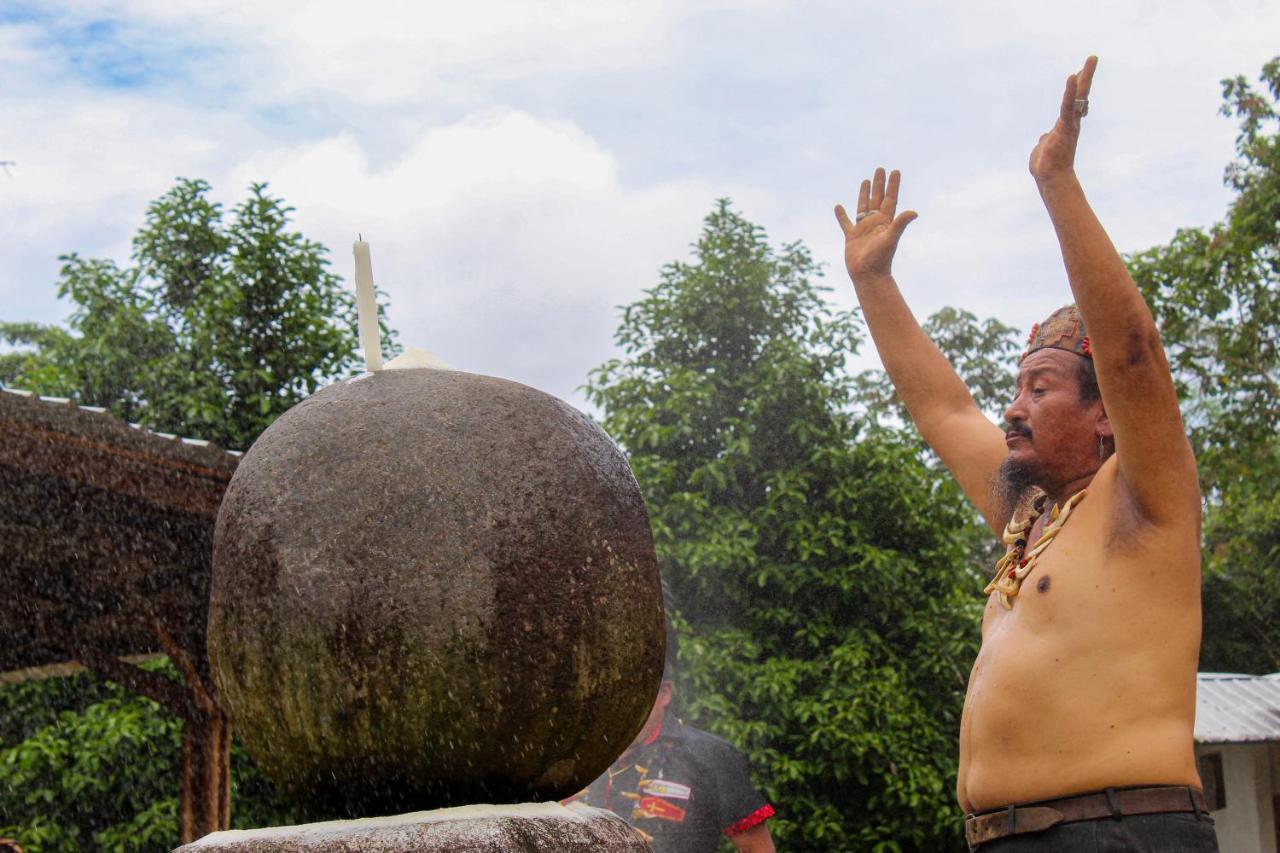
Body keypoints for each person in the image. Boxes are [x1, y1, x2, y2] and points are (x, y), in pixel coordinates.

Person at [834, 56, 1218, 851]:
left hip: (1122, 831)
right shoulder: (1030, 509)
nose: (1013, 409)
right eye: (1017, 388)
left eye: (1040, 389)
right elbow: (942, 407)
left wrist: (1056, 183)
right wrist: (874, 284)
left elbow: (1134, 352)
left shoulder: (1145, 497)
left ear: (1105, 415)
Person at [569, 622, 777, 852]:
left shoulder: (710, 756)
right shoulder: (580, 759)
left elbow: (757, 848)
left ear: (665, 693)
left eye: (632, 691)